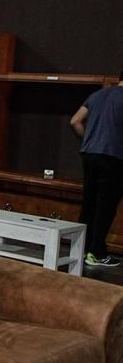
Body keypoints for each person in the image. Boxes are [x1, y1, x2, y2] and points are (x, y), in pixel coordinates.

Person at [70, 72, 123, 267]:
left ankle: (81, 248)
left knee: (89, 202)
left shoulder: (98, 95)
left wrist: (90, 139)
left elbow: (75, 121)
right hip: (113, 157)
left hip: (89, 154)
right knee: (105, 206)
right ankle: (96, 252)